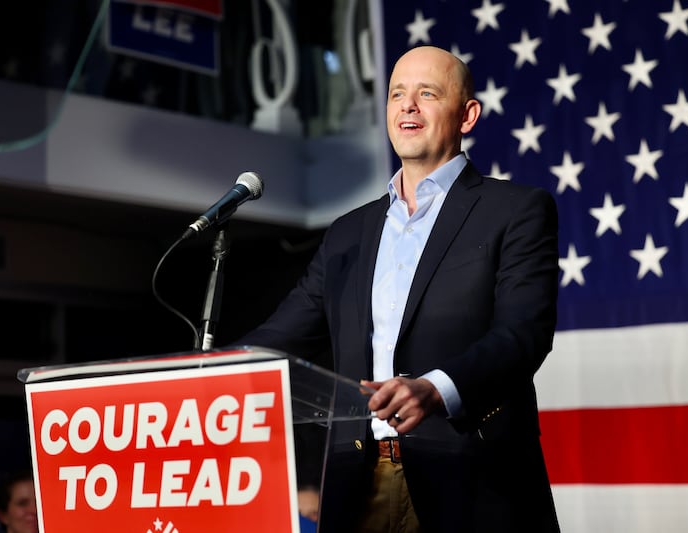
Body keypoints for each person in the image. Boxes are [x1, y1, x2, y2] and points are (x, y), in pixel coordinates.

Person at [236, 45, 560, 532]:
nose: (407, 106)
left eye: (427, 93)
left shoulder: (515, 210)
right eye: (396, 95)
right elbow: (281, 336)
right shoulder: (348, 232)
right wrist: (191, 381)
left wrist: (435, 388)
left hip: (469, 478)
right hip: (358, 481)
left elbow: (523, 334)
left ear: (467, 115)